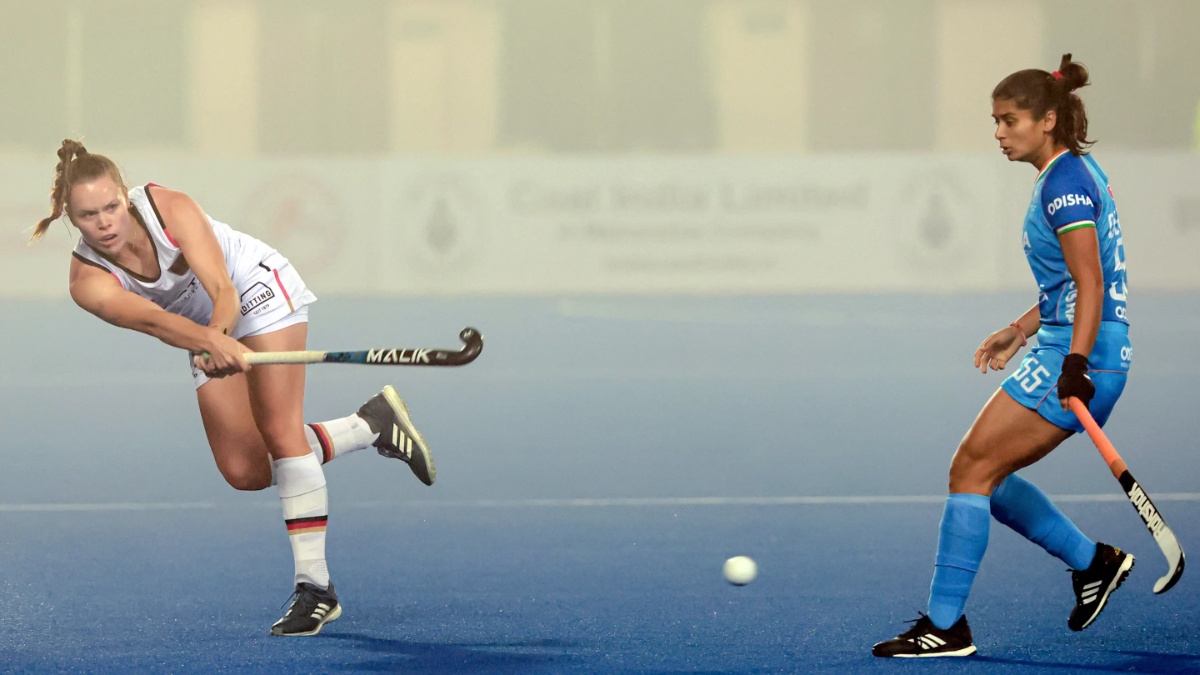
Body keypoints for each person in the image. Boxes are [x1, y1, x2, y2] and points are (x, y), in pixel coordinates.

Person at [31, 140, 437, 637]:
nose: (106, 222)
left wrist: (219, 337)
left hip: (255, 288)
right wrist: (210, 344)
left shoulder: (168, 207)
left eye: (112, 206)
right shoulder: (88, 282)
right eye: (90, 215)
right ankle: (371, 425)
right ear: (71, 218)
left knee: (279, 431)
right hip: (196, 327)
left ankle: (316, 589)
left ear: (126, 196)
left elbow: (224, 288)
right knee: (244, 470)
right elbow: (159, 323)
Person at [872, 54, 1135, 658]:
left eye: (1008, 120)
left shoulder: (1066, 184)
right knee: (982, 475)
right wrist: (1020, 328)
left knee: (970, 470)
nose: (997, 133)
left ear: (1047, 120)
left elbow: (1091, 284)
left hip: (1084, 353)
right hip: (1067, 343)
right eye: (994, 121)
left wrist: (1075, 363)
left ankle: (946, 626)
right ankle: (1094, 562)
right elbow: (1071, 286)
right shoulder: (1067, 173)